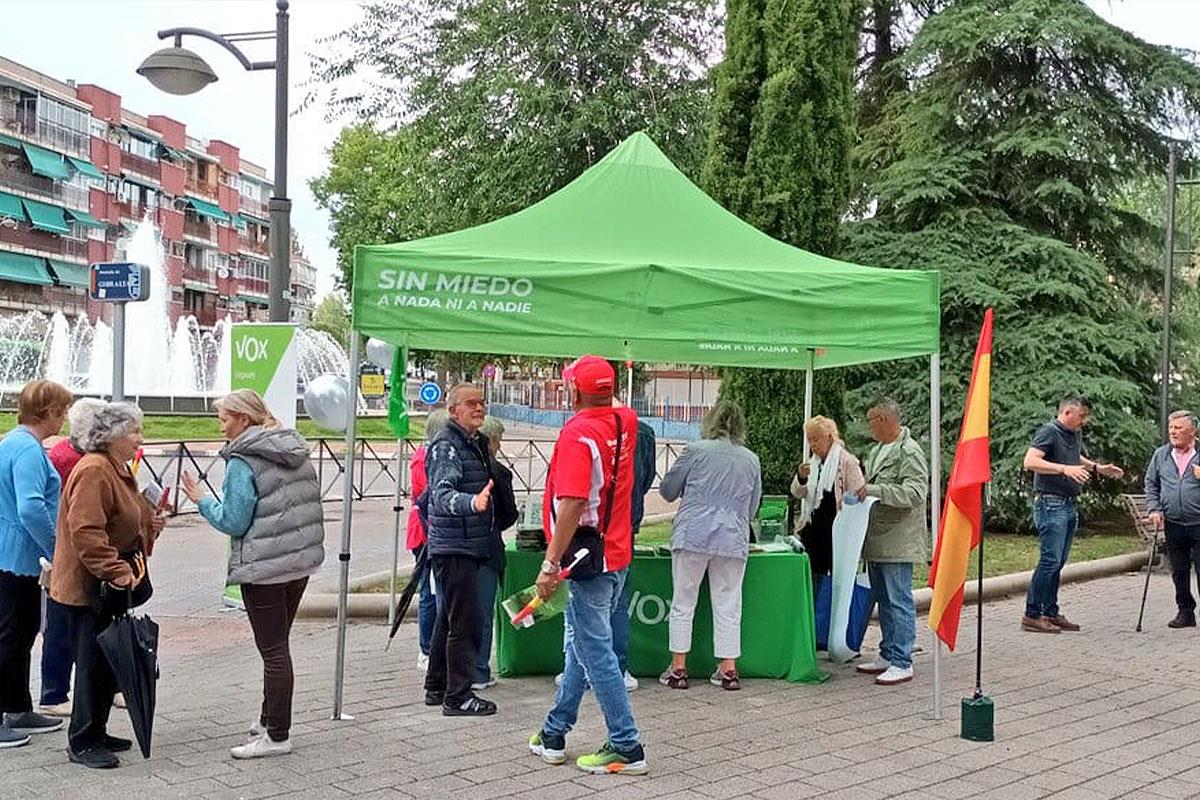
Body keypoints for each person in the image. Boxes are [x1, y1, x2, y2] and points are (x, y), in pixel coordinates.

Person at [181, 389, 324, 759]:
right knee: (279, 646)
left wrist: (201, 499)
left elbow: (234, 519)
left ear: (244, 419)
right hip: (299, 563)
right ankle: (267, 719)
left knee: (274, 652)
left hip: (264, 568)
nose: (221, 424)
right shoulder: (293, 447)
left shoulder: (243, 461)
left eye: (225, 417)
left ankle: (277, 735)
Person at [528, 355, 647, 776]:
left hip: (584, 561)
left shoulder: (578, 434)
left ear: (574, 391)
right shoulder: (625, 419)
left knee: (595, 651)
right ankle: (554, 731)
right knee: (582, 646)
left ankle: (626, 744)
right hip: (615, 551)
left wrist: (549, 563)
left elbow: (574, 502)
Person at [51, 401, 165, 769]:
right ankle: (82, 740)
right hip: (92, 585)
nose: (139, 439)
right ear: (112, 435)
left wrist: (149, 525)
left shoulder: (114, 467)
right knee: (92, 660)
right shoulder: (94, 469)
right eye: (134, 431)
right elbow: (85, 530)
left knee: (105, 658)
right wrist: (114, 569)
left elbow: (122, 516)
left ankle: (96, 729)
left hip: (108, 583)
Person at [657, 400, 761, 691]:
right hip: (732, 537)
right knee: (729, 603)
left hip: (693, 533)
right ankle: (728, 669)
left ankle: (678, 668)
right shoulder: (751, 459)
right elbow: (753, 507)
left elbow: (667, 491)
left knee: (683, 601)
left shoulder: (695, 450)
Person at [0, 379, 73, 749]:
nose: (65, 418)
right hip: (18, 556)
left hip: (11, 552)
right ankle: (5, 713)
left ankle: (17, 706)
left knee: (21, 630)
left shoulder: (13, 442)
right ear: (49, 412)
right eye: (63, 411)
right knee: (12, 634)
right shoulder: (27, 450)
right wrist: (56, 547)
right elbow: (30, 506)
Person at [422, 383, 497, 717]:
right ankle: (458, 695)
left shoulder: (476, 442)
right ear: (453, 410)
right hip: (454, 543)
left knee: (448, 619)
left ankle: (436, 686)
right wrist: (473, 503)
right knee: (465, 622)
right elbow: (440, 494)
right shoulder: (446, 446)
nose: (479, 409)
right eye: (471, 404)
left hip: (468, 541)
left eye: (481, 403)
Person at [1021, 394, 1123, 633]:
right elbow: (1031, 461)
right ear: (1067, 413)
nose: (1084, 421)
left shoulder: (1073, 433)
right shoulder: (1048, 432)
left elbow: (1072, 457)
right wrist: (1064, 470)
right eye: (1081, 416)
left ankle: (1051, 611)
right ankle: (1032, 614)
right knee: (1049, 561)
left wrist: (1097, 467)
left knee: (1059, 562)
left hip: (1068, 504)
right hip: (1050, 504)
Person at [853, 398, 928, 686]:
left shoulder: (908, 451)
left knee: (899, 601)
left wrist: (873, 490)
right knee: (883, 600)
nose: (869, 426)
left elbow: (915, 492)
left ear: (883, 419)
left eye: (871, 420)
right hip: (878, 538)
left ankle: (902, 660)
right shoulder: (877, 450)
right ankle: (887, 652)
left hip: (898, 539)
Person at [38, 399, 105, 718]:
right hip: (66, 554)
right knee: (62, 624)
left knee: (81, 623)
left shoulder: (86, 457)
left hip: (75, 553)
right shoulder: (68, 458)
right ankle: (54, 692)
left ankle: (98, 687)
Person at [473, 416, 519, 690]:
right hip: (487, 547)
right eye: (498, 440)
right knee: (482, 611)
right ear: (491, 441)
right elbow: (509, 514)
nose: (500, 445)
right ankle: (478, 670)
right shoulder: (498, 472)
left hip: (453, 548)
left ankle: (451, 669)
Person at [791, 415, 866, 580]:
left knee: (837, 582)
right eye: (809, 440)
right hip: (813, 533)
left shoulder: (847, 461)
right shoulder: (813, 463)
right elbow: (797, 493)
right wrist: (801, 478)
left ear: (829, 437)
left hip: (837, 534)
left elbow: (859, 493)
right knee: (813, 580)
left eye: (816, 439)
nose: (812, 445)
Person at [1144, 410, 1200, 629]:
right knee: (1179, 570)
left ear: (1192, 431)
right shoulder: (1161, 455)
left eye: (1179, 428)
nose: (1173, 432)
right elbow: (1151, 483)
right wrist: (1154, 509)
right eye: (1171, 428)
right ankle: (1185, 612)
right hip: (1174, 523)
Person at [407, 409, 449, 672]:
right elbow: (428, 497)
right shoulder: (424, 457)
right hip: (426, 532)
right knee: (428, 590)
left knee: (434, 589)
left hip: (430, 530)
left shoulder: (428, 454)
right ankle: (425, 648)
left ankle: (432, 644)